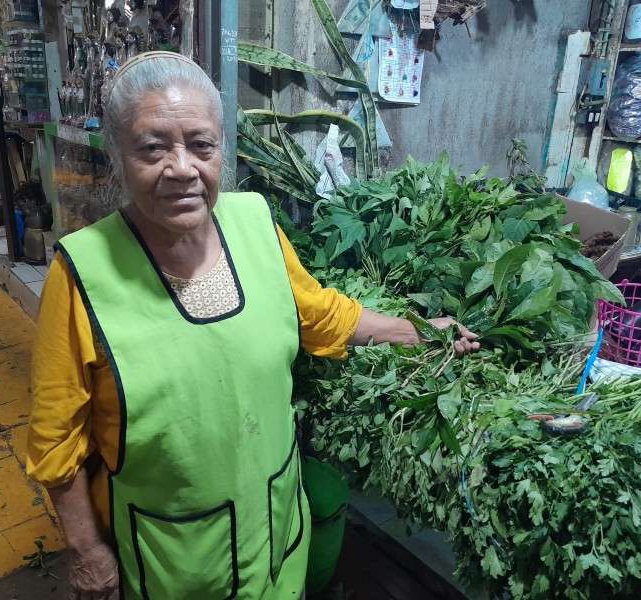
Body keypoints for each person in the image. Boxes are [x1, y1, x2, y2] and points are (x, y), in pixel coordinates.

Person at [26, 51, 479, 600]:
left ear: (222, 150)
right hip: (173, 561)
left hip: (277, 541)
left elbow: (320, 314)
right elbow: (55, 442)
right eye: (152, 148)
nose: (182, 168)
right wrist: (89, 552)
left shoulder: (257, 224)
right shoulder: (81, 273)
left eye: (201, 145)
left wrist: (418, 330)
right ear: (118, 156)